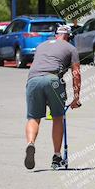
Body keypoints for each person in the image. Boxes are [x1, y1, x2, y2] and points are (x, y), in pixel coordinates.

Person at [24, 25, 81, 170]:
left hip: (33, 80)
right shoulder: (71, 48)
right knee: (57, 116)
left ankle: (30, 143)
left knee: (33, 118)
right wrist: (76, 97)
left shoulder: (41, 46)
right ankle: (56, 156)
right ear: (69, 36)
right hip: (53, 80)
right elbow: (76, 73)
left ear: (56, 35)